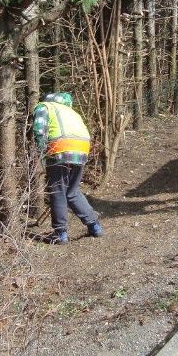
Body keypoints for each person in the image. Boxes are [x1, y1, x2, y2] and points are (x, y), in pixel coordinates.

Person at [31, 92, 103, 244]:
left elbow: (39, 129)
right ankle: (94, 226)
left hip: (60, 148)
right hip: (82, 149)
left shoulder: (44, 107)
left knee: (57, 190)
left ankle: (60, 233)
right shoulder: (72, 112)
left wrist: (41, 151)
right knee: (72, 190)